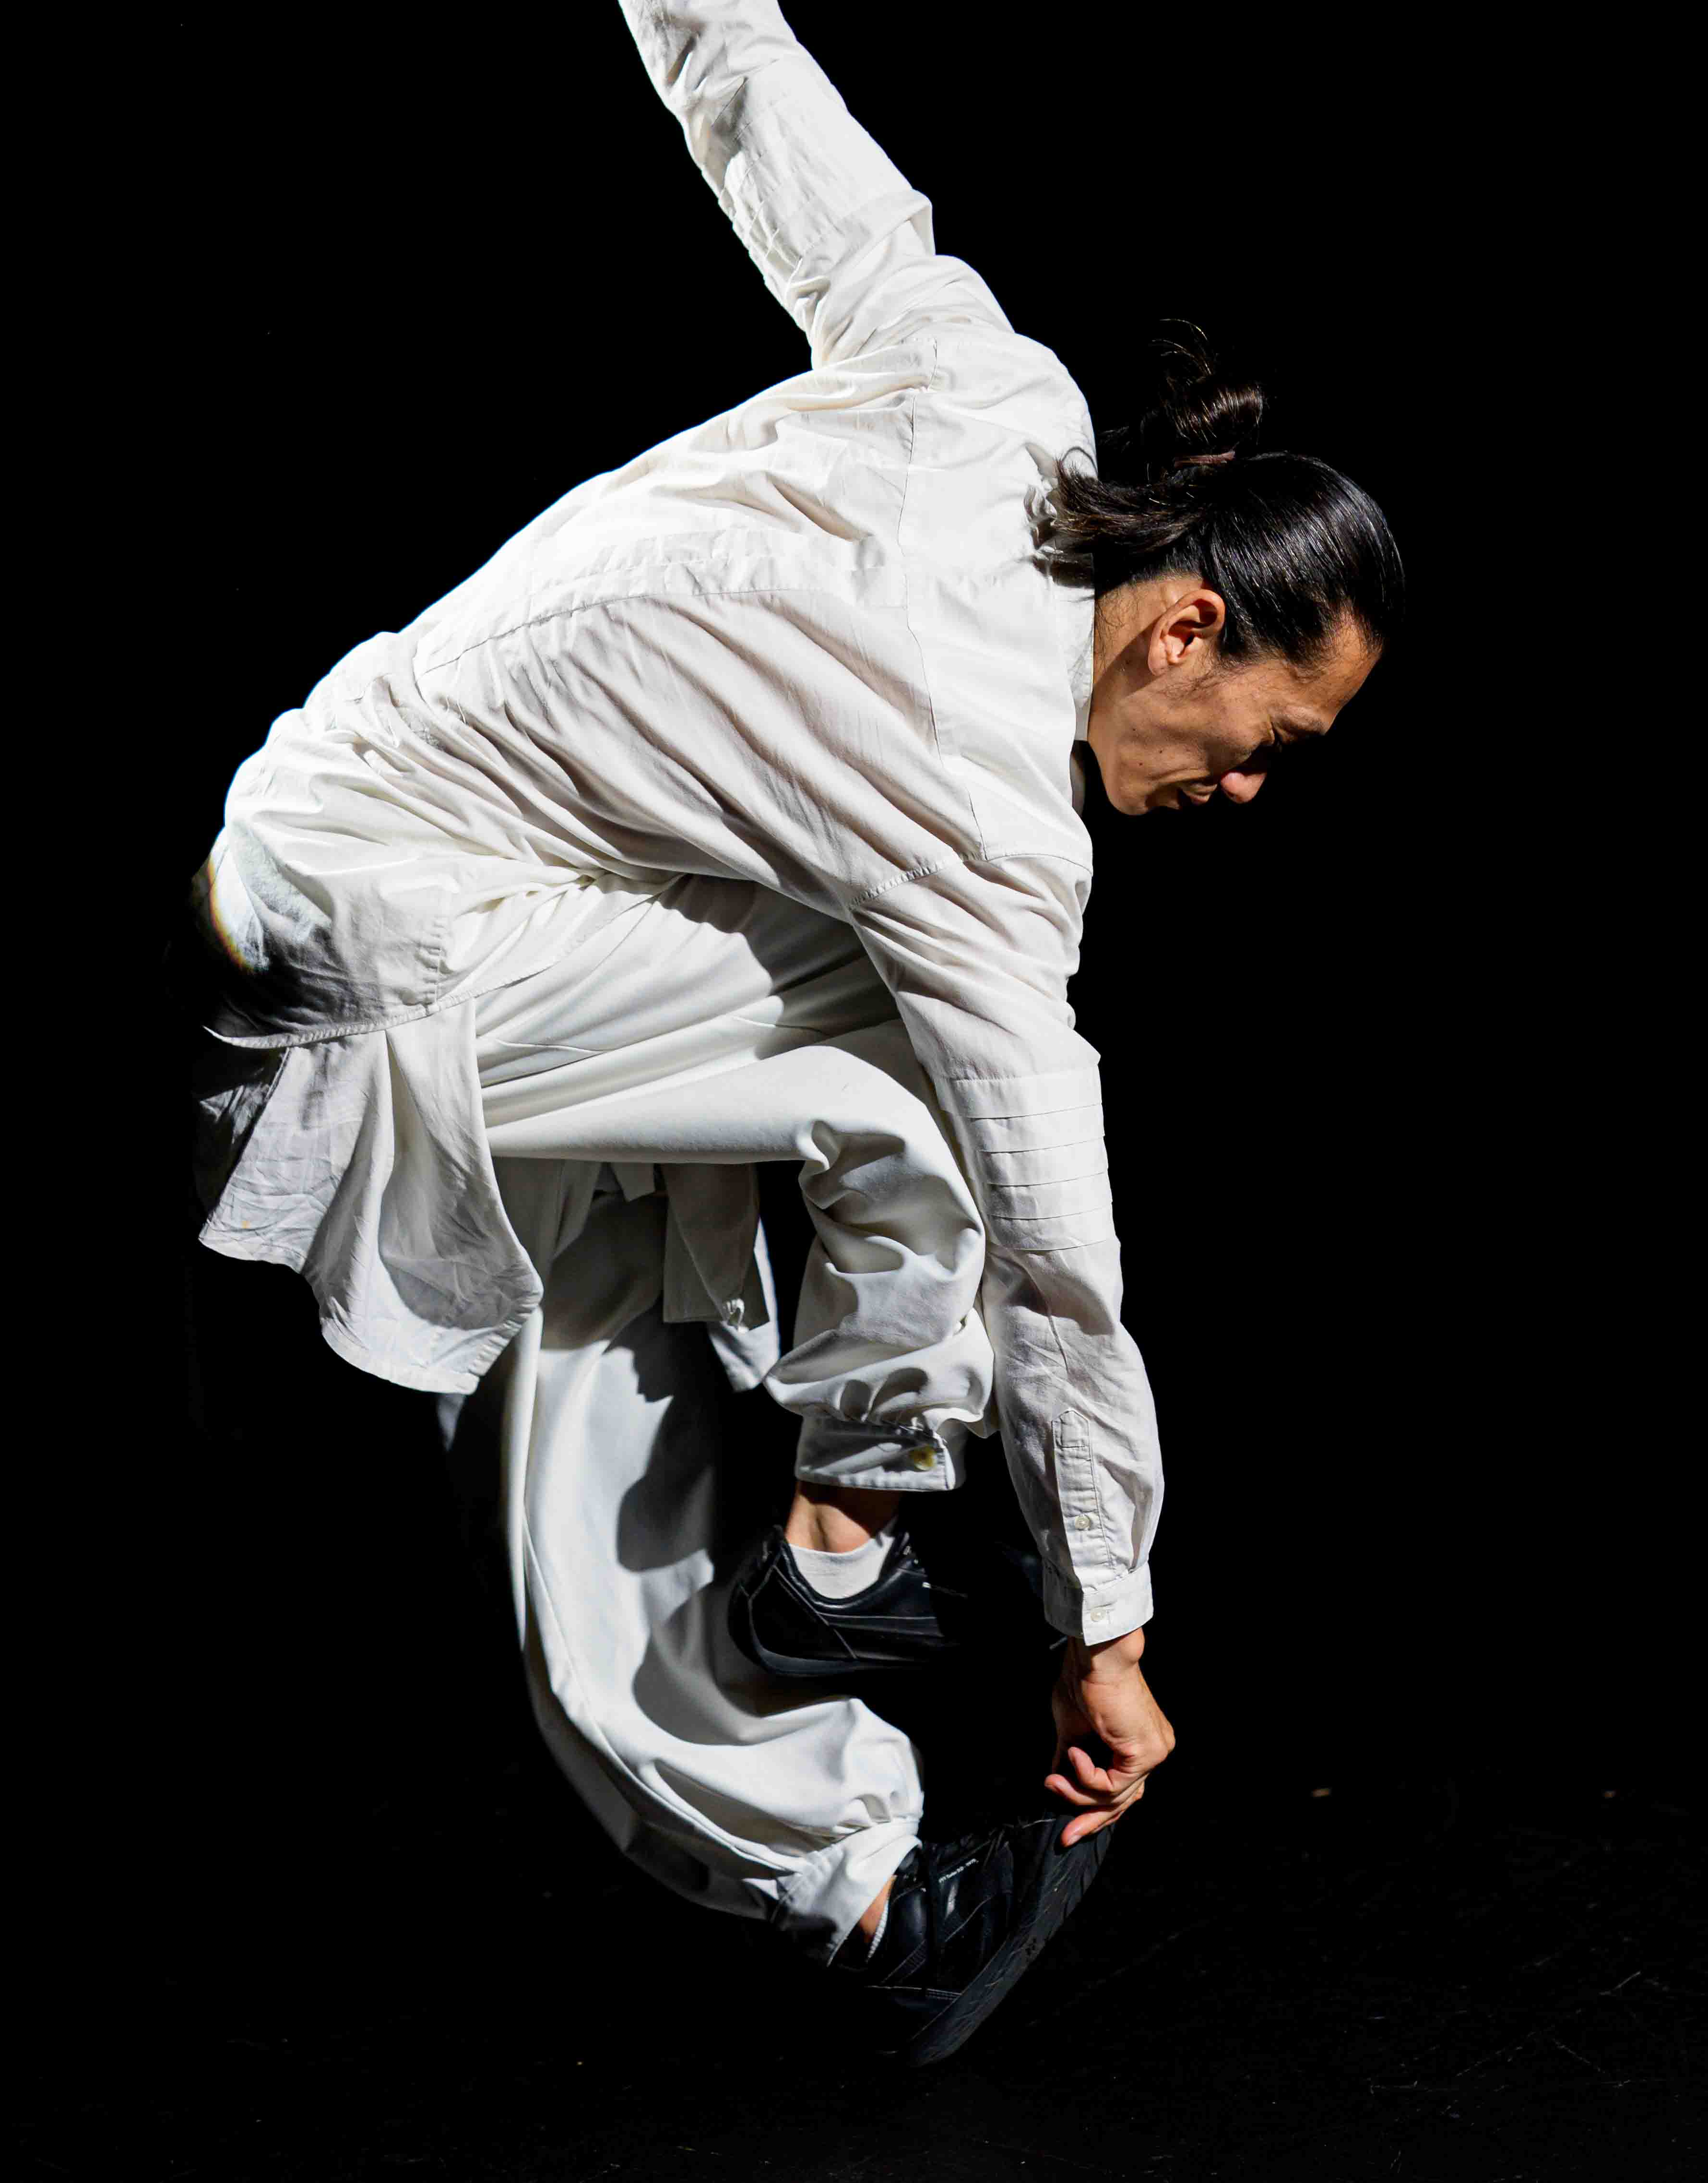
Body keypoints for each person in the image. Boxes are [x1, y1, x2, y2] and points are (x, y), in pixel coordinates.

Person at [168, 0, 1402, 2067]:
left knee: (603, 1381)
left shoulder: (981, 382)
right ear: (1188, 625)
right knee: (953, 1073)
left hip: (358, 892)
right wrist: (1107, 1620)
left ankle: (855, 1893)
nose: (1251, 795)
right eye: (1274, 743)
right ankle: (851, 1529)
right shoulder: (987, 819)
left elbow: (750, 95)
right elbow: (1060, 1263)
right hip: (384, 936)